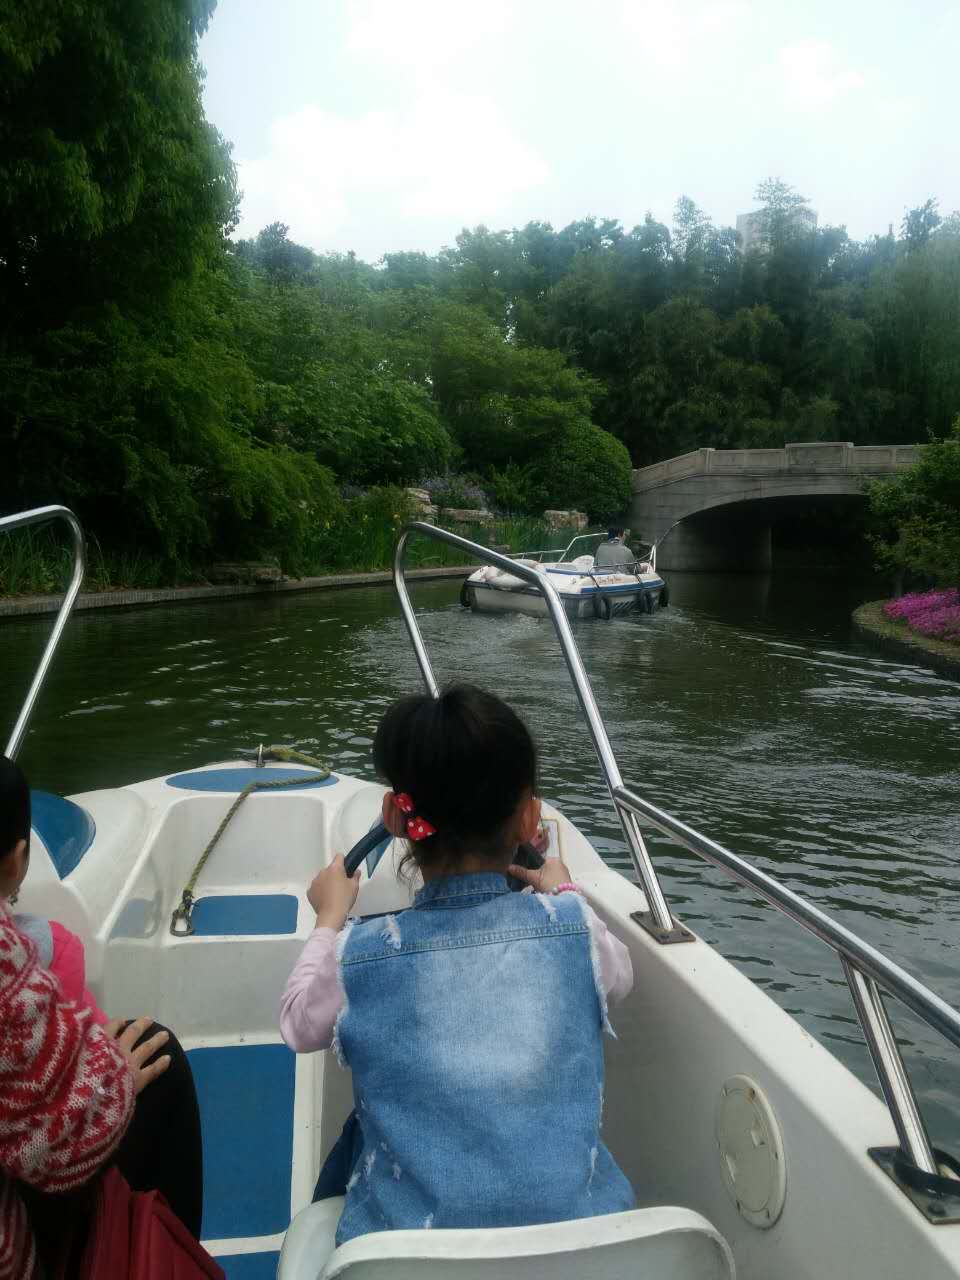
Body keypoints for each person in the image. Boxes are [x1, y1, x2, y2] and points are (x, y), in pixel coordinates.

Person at [280, 683, 635, 1245]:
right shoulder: (577, 929)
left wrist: (330, 916)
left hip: (408, 1254)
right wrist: (561, 887)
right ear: (530, 820)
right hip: (578, 1249)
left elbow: (299, 1025)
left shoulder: (359, 955)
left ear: (396, 817)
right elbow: (620, 978)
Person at [0, 755, 204, 1276]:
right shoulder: (8, 969)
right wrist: (117, 1079)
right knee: (159, 1056)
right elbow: (48, 1152)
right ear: (17, 861)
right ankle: (173, 1261)